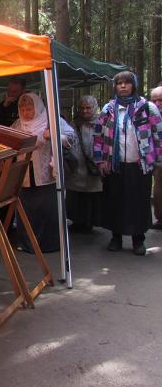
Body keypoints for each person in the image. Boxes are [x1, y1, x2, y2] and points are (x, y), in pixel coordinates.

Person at [93, 71, 162, 255]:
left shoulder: (147, 108)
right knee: (115, 201)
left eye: (127, 83)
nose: (123, 86)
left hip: (139, 165)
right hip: (114, 165)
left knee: (138, 203)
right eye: (119, 83)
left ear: (134, 85)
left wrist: (156, 161)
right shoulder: (108, 109)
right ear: (115, 87)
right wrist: (100, 160)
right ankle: (116, 238)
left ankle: (138, 240)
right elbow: (98, 137)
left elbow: (159, 137)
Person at [11, 93, 62, 253]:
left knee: (47, 209)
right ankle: (27, 244)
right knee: (27, 211)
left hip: (45, 173)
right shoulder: (18, 125)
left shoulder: (50, 120)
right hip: (25, 174)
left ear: (37, 107)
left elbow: (70, 137)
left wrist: (52, 135)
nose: (26, 113)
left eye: (29, 109)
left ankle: (49, 244)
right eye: (23, 109)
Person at [65, 95, 103, 233]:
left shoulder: (102, 122)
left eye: (88, 108)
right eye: (82, 108)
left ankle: (90, 222)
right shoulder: (73, 123)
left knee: (92, 196)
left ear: (94, 108)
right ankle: (78, 221)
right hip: (77, 167)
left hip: (94, 166)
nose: (85, 111)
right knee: (77, 196)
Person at [150, 83, 162, 229]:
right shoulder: (149, 113)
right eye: (155, 100)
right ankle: (160, 219)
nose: (158, 103)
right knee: (158, 189)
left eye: (161, 100)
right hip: (157, 160)